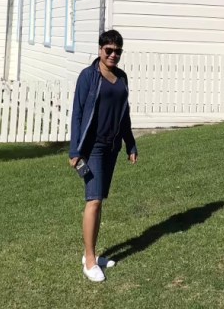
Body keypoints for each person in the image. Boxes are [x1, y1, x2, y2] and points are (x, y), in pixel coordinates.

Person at [69, 29, 138, 282]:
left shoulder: (122, 78)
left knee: (99, 202)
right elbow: (77, 114)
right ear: (99, 50)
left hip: (112, 147)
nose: (113, 55)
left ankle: (92, 253)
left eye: (117, 51)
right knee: (93, 200)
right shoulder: (88, 76)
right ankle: (89, 260)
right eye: (108, 50)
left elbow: (125, 114)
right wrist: (75, 150)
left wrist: (130, 144)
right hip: (93, 147)